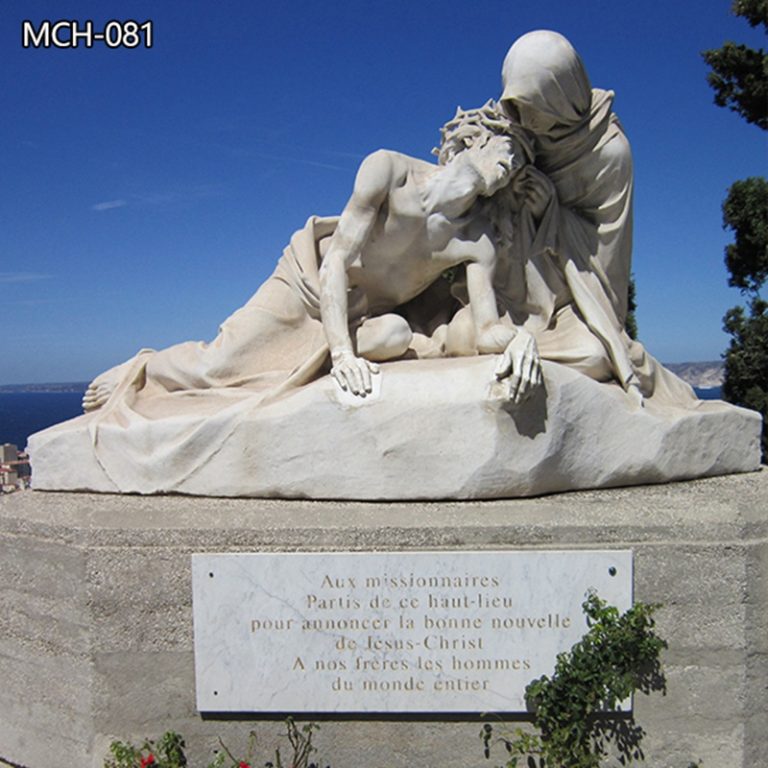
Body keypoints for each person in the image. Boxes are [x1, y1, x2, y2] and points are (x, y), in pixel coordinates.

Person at [83, 106, 541, 417]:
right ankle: (143, 367)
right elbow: (337, 259)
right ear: (476, 141)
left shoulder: (475, 242)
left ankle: (319, 357)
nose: (512, 166)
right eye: (509, 150)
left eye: (520, 163)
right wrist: (342, 355)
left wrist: (518, 340)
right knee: (217, 367)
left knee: (397, 333)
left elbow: (485, 329)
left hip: (364, 313)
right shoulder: (389, 169)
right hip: (307, 281)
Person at [486, 29, 695, 405]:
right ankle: (501, 338)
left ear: (560, 95)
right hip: (515, 279)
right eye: (516, 103)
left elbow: (606, 255)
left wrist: (549, 211)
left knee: (596, 356)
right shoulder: (517, 131)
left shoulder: (610, 153)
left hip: (575, 295)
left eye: (532, 103)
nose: (524, 116)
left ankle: (517, 345)